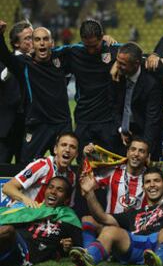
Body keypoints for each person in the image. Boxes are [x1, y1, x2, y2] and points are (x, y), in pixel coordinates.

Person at [71, 165, 163, 266]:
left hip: (162, 242)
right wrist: (90, 193)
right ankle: (89, 259)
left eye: (156, 181)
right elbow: (102, 217)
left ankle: (159, 261)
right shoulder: (134, 212)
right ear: (143, 187)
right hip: (136, 244)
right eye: (148, 182)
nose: (152, 185)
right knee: (109, 230)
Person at [0, 21, 73, 163]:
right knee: (27, 167)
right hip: (36, 125)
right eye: (37, 39)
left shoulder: (62, 57)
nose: (42, 43)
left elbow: (85, 49)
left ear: (52, 42)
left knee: (64, 167)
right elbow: (5, 56)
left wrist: (106, 43)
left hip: (61, 124)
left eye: (45, 39)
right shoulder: (23, 63)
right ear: (33, 45)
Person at [56, 19, 122, 157]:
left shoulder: (113, 49)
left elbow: (135, 52)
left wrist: (120, 61)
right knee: (83, 164)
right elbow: (48, 53)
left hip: (108, 120)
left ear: (102, 37)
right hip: (83, 119)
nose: (91, 51)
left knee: (111, 162)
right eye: (87, 46)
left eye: (95, 46)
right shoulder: (73, 51)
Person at [80, 137, 150, 248]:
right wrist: (87, 156)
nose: (136, 154)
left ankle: (100, 249)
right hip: (110, 222)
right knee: (87, 219)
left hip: (136, 229)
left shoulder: (152, 178)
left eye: (141, 151)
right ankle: (88, 251)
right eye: (133, 149)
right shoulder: (113, 171)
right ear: (127, 153)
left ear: (147, 157)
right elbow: (86, 188)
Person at [0, 176, 82, 266]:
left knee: (7, 230)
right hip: (9, 244)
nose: (53, 191)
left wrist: (66, 248)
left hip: (27, 253)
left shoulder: (69, 217)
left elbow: (79, 248)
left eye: (60, 190)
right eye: (50, 187)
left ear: (67, 199)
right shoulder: (34, 208)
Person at [3, 132, 78, 207]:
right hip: (23, 214)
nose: (67, 150)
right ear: (55, 149)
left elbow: (68, 206)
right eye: (63, 145)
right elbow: (7, 187)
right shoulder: (41, 166)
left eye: (72, 147)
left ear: (76, 154)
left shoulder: (72, 177)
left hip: (47, 217)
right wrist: (26, 200)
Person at [115, 42, 163, 156]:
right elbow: (113, 107)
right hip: (120, 135)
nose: (117, 66)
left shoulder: (151, 84)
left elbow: (152, 120)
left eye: (122, 64)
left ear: (136, 64)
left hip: (143, 134)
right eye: (117, 62)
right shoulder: (117, 77)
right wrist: (120, 129)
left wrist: (146, 149)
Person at [0, 20, 32, 163]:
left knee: (25, 173)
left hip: (28, 128)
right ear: (16, 43)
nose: (33, 42)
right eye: (28, 38)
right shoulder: (4, 62)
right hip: (5, 129)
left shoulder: (40, 63)